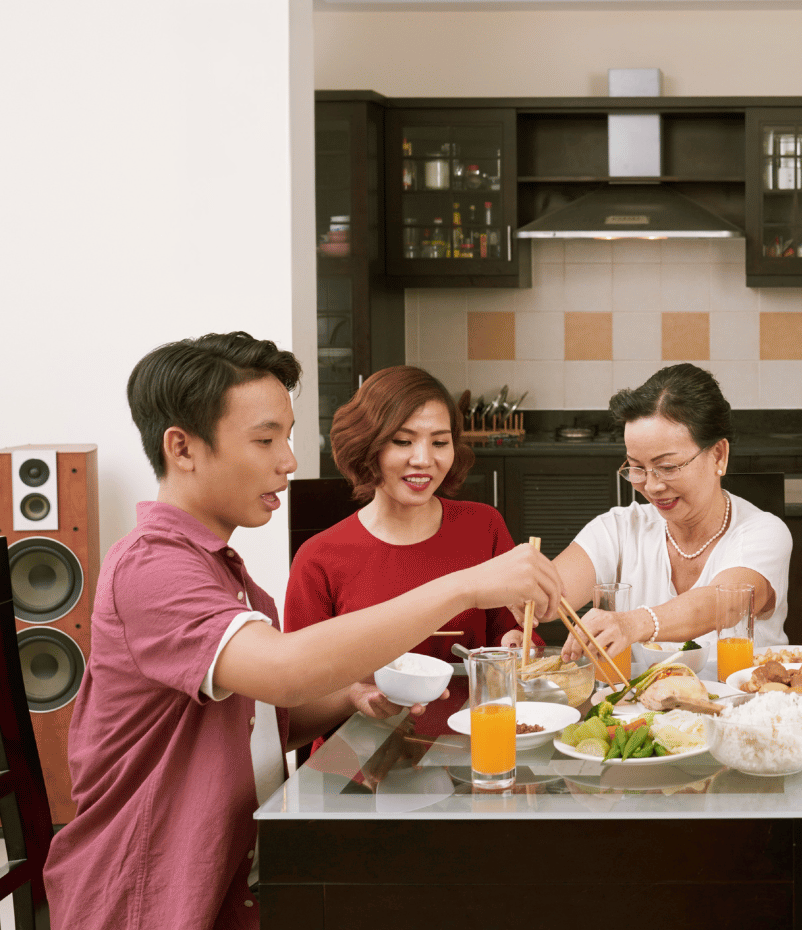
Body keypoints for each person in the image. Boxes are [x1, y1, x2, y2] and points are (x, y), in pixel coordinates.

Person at [41, 332, 562, 930]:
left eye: (286, 437)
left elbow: (262, 718)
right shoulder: (152, 566)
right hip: (152, 894)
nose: (288, 460)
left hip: (237, 879)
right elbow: (285, 671)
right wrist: (465, 586)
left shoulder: (218, 567)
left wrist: (350, 697)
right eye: (266, 439)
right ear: (182, 449)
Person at [285, 366, 537, 663]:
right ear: (367, 445)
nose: (423, 460)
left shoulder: (484, 526)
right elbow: (300, 701)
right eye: (403, 441)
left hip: (477, 710)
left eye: (440, 443)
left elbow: (510, 632)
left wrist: (516, 643)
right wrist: (356, 695)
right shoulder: (318, 558)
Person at [550, 364, 792, 661]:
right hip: (640, 708)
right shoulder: (619, 528)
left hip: (744, 704)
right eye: (636, 467)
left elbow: (729, 603)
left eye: (667, 467)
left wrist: (632, 624)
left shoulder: (763, 532)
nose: (651, 486)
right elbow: (552, 595)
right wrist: (521, 594)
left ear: (718, 455)